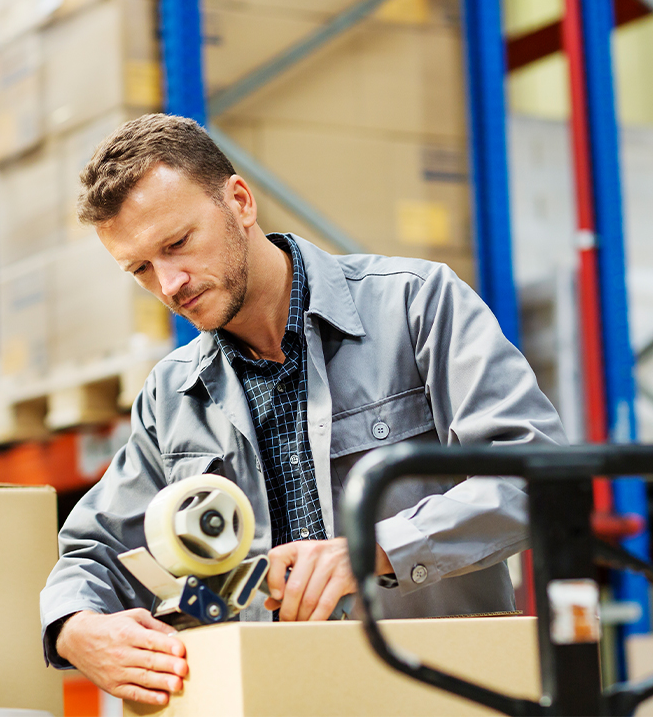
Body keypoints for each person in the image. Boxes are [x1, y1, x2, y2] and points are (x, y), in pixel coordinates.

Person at [40, 113, 567, 706]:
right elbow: (92, 551)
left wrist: (380, 548)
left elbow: (538, 479)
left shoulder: (416, 306)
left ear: (239, 201)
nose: (169, 284)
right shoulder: (171, 397)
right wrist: (75, 627)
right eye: (139, 268)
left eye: (177, 244)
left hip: (438, 692)